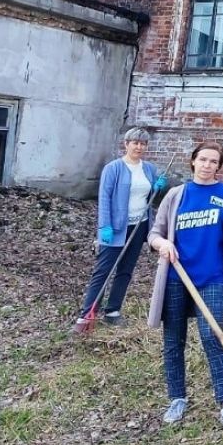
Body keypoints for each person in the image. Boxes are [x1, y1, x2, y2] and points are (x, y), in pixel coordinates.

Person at [146, 141, 223, 432]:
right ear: (193, 162)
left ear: (219, 165)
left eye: (213, 161)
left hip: (212, 278)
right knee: (173, 340)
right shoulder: (176, 195)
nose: (207, 165)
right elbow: (154, 233)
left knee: (213, 337)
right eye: (202, 159)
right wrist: (163, 243)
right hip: (177, 277)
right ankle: (177, 398)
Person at [72, 127, 167, 333]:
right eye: (135, 143)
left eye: (143, 144)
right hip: (115, 228)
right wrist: (104, 226)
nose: (139, 147)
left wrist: (157, 187)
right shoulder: (113, 168)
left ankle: (112, 311)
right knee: (103, 271)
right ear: (126, 144)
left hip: (139, 226)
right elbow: (104, 197)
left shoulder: (149, 168)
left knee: (125, 271)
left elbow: (149, 196)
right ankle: (87, 314)